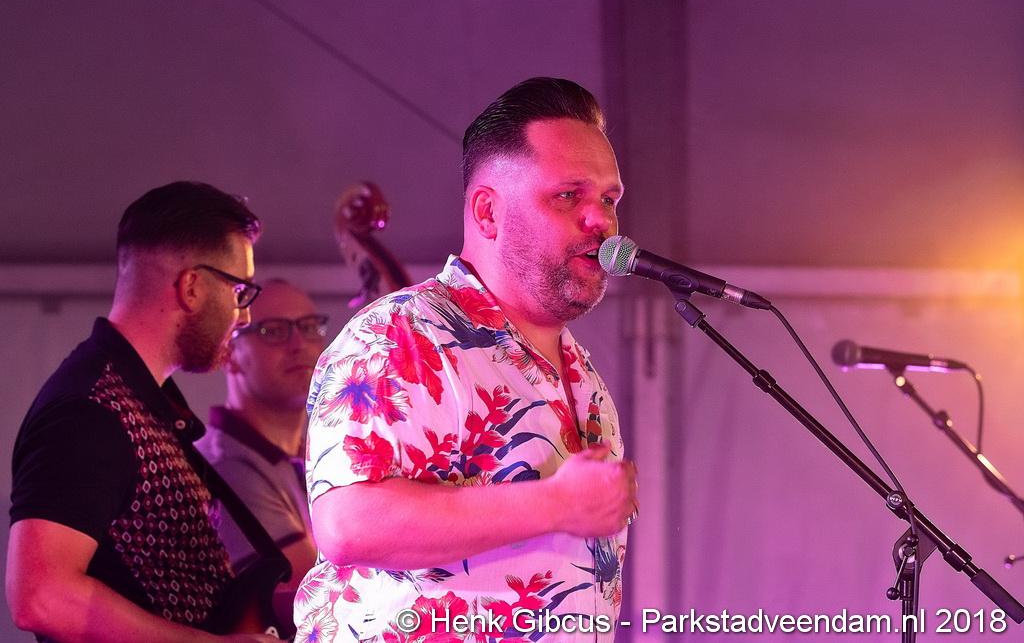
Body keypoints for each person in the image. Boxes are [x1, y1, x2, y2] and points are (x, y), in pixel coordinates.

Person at [296, 77, 637, 643]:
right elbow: (348, 524)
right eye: (567, 196)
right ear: (487, 212)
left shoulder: (583, 374)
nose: (600, 221)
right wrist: (555, 503)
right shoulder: (399, 335)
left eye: (608, 199)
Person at [7, 181, 278, 643]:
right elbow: (40, 595)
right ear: (192, 286)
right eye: (239, 290)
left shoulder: (138, 401)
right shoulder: (91, 410)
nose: (245, 315)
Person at [198, 280, 326, 625]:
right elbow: (313, 596)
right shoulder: (225, 466)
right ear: (229, 353)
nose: (299, 345)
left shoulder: (311, 455)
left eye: (309, 327)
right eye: (273, 331)